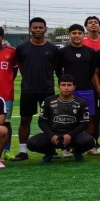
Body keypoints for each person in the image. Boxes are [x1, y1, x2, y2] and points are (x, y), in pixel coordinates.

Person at [12, 17, 60, 161]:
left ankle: (51, 149)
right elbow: (20, 65)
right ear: (30, 29)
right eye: (35, 27)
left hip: (47, 89)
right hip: (28, 89)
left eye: (40, 27)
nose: (38, 30)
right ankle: (22, 151)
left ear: (45, 29)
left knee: (50, 121)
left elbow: (53, 66)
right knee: (25, 120)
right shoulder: (22, 47)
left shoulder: (52, 48)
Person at [28, 73, 96, 163]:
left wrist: (70, 135)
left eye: (69, 85)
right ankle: (50, 152)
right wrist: (51, 135)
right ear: (58, 87)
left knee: (90, 141)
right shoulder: (48, 101)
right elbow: (42, 122)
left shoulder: (81, 103)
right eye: (63, 85)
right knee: (31, 143)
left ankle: (77, 152)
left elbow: (84, 124)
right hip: (53, 135)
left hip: (73, 136)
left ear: (74, 87)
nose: (66, 88)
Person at [56, 23, 98, 154]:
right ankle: (66, 147)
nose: (77, 35)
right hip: (70, 91)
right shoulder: (63, 52)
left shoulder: (90, 52)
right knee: (68, 118)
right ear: (69, 35)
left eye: (79, 33)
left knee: (89, 118)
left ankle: (89, 146)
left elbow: (92, 71)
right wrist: (67, 85)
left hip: (87, 89)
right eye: (74, 33)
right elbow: (58, 70)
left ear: (83, 35)